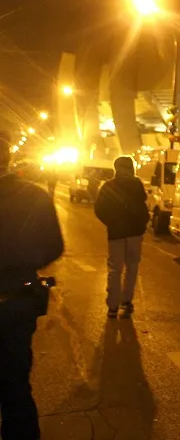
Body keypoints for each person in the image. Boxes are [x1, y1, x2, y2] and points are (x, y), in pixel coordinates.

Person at [0, 131, 64, 439]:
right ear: (9, 159)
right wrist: (21, 259)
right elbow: (53, 246)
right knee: (15, 386)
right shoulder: (34, 195)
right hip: (17, 301)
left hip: (18, 300)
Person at [94, 156, 149, 319]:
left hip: (116, 234)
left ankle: (112, 306)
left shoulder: (108, 186)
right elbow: (143, 206)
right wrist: (141, 225)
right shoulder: (137, 184)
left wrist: (111, 222)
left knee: (115, 269)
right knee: (132, 268)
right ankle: (126, 301)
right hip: (134, 233)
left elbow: (99, 209)